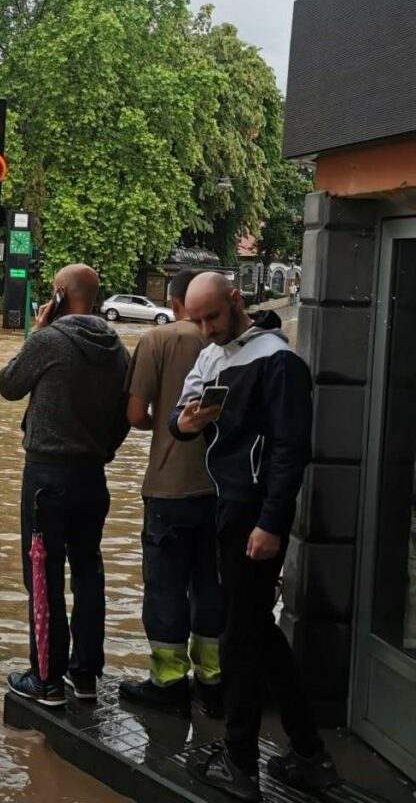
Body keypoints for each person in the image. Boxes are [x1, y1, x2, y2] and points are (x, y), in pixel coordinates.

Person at [170, 272, 339, 801]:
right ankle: (309, 753)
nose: (204, 329)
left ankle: (241, 765)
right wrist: (186, 424)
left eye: (212, 317)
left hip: (254, 516)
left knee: (240, 638)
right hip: (229, 508)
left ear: (236, 301)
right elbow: (180, 419)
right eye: (196, 320)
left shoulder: (279, 362)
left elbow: (291, 451)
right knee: (255, 632)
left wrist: (272, 522)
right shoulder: (212, 355)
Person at [0, 264, 130, 706]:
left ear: (58, 294)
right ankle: (85, 674)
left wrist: (36, 330)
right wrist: (103, 450)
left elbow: (8, 385)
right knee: (88, 569)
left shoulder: (50, 340)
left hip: (47, 476)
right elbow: (125, 416)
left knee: (42, 572)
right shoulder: (117, 348)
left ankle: (47, 678)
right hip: (93, 476)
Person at [118, 269, 224, 717]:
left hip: (168, 487)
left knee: (165, 586)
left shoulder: (158, 341)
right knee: (211, 584)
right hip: (222, 489)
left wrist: (163, 422)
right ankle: (214, 679)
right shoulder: (226, 342)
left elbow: (134, 413)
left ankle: (167, 681)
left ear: (173, 300)